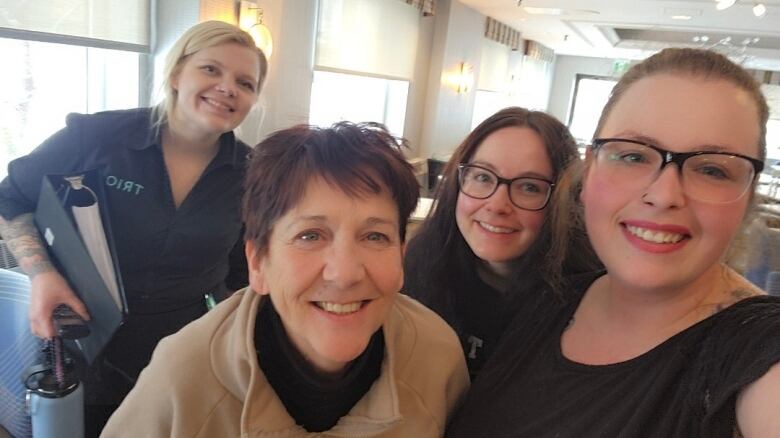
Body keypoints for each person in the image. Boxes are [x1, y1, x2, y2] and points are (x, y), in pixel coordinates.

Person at [446, 48, 780, 437]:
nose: (664, 194)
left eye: (712, 169)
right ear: (588, 173)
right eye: (634, 156)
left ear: (748, 195)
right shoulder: (549, 300)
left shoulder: (755, 347)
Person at [100, 122, 470, 437]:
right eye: (310, 236)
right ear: (258, 262)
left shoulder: (435, 359)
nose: (344, 274)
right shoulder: (182, 382)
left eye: (375, 237)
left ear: (401, 256)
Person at [0, 20, 268, 435]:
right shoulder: (98, 136)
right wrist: (42, 274)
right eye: (211, 70)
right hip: (83, 337)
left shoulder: (252, 174)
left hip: (184, 350)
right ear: (178, 73)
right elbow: (9, 199)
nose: (228, 87)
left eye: (245, 82)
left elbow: (241, 269)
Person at [403, 107, 598, 378]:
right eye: (483, 177)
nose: (497, 205)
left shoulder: (586, 304)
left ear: (562, 202)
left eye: (529, 187)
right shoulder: (419, 264)